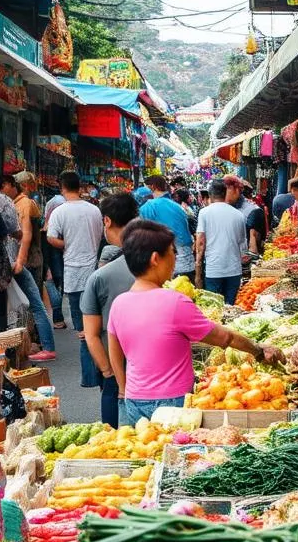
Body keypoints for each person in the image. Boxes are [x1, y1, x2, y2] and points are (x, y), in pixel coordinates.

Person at [108, 220, 284, 424]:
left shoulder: (119, 303)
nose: (175, 259)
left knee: (146, 451)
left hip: (134, 400)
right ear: (156, 259)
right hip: (172, 402)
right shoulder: (174, 301)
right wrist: (258, 351)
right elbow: (224, 337)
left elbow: (115, 352)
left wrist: (124, 388)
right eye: (172, 252)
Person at [81, 192, 139, 427]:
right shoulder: (157, 265)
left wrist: (107, 372)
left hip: (116, 370)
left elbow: (91, 334)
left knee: (117, 440)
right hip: (151, 367)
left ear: (107, 221)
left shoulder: (100, 277)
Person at [45, 170, 103, 379]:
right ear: (80, 187)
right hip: (94, 272)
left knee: (82, 330)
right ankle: (103, 369)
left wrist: (67, 244)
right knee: (97, 326)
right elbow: (100, 236)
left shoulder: (60, 212)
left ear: (62, 187)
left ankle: (89, 375)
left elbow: (51, 238)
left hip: (73, 274)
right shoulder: (94, 210)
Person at [3, 172, 56, 363]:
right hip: (25, 259)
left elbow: (26, 235)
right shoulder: (18, 203)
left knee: (34, 303)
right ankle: (36, 343)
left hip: (28, 260)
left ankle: (46, 345)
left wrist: (20, 259)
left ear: (12, 185)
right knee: (30, 303)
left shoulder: (24, 203)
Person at [196, 179, 247, 304]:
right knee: (231, 307)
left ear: (210, 195)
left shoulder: (204, 213)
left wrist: (198, 267)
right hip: (234, 269)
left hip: (214, 269)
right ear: (225, 194)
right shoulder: (238, 215)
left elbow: (201, 242)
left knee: (214, 307)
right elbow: (241, 242)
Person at [138, 175, 195, 280]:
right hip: (187, 262)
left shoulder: (149, 207)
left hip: (168, 266)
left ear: (152, 187)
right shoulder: (177, 206)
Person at [40, 191, 66, 328]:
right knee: (54, 286)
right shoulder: (46, 229)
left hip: (59, 263)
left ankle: (57, 318)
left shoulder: (58, 225)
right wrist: (47, 268)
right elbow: (45, 250)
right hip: (52, 264)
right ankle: (57, 318)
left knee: (58, 286)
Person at [222, 175, 265, 255]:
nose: (223, 193)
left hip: (243, 262)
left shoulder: (253, 211)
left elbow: (253, 248)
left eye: (226, 189)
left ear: (237, 190)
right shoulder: (223, 207)